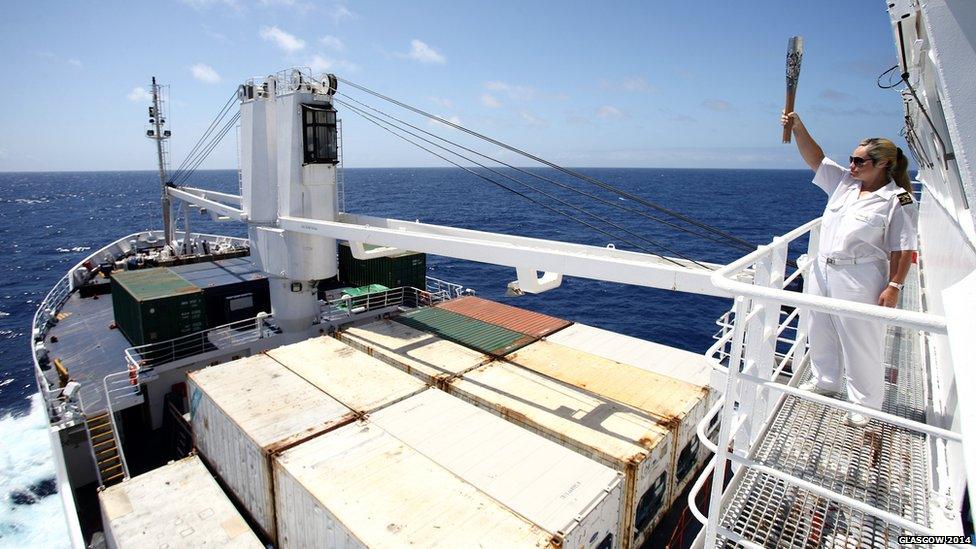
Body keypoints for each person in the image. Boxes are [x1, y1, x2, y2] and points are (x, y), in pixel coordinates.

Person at [782, 111, 918, 427]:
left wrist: (894, 286)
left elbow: (904, 248)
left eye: (860, 162)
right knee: (820, 327)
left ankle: (865, 405)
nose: (853, 166)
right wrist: (799, 128)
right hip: (824, 269)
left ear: (883, 164)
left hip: (861, 276)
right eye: (852, 160)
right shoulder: (845, 183)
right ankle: (826, 382)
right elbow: (817, 159)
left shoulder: (898, 199)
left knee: (860, 339)